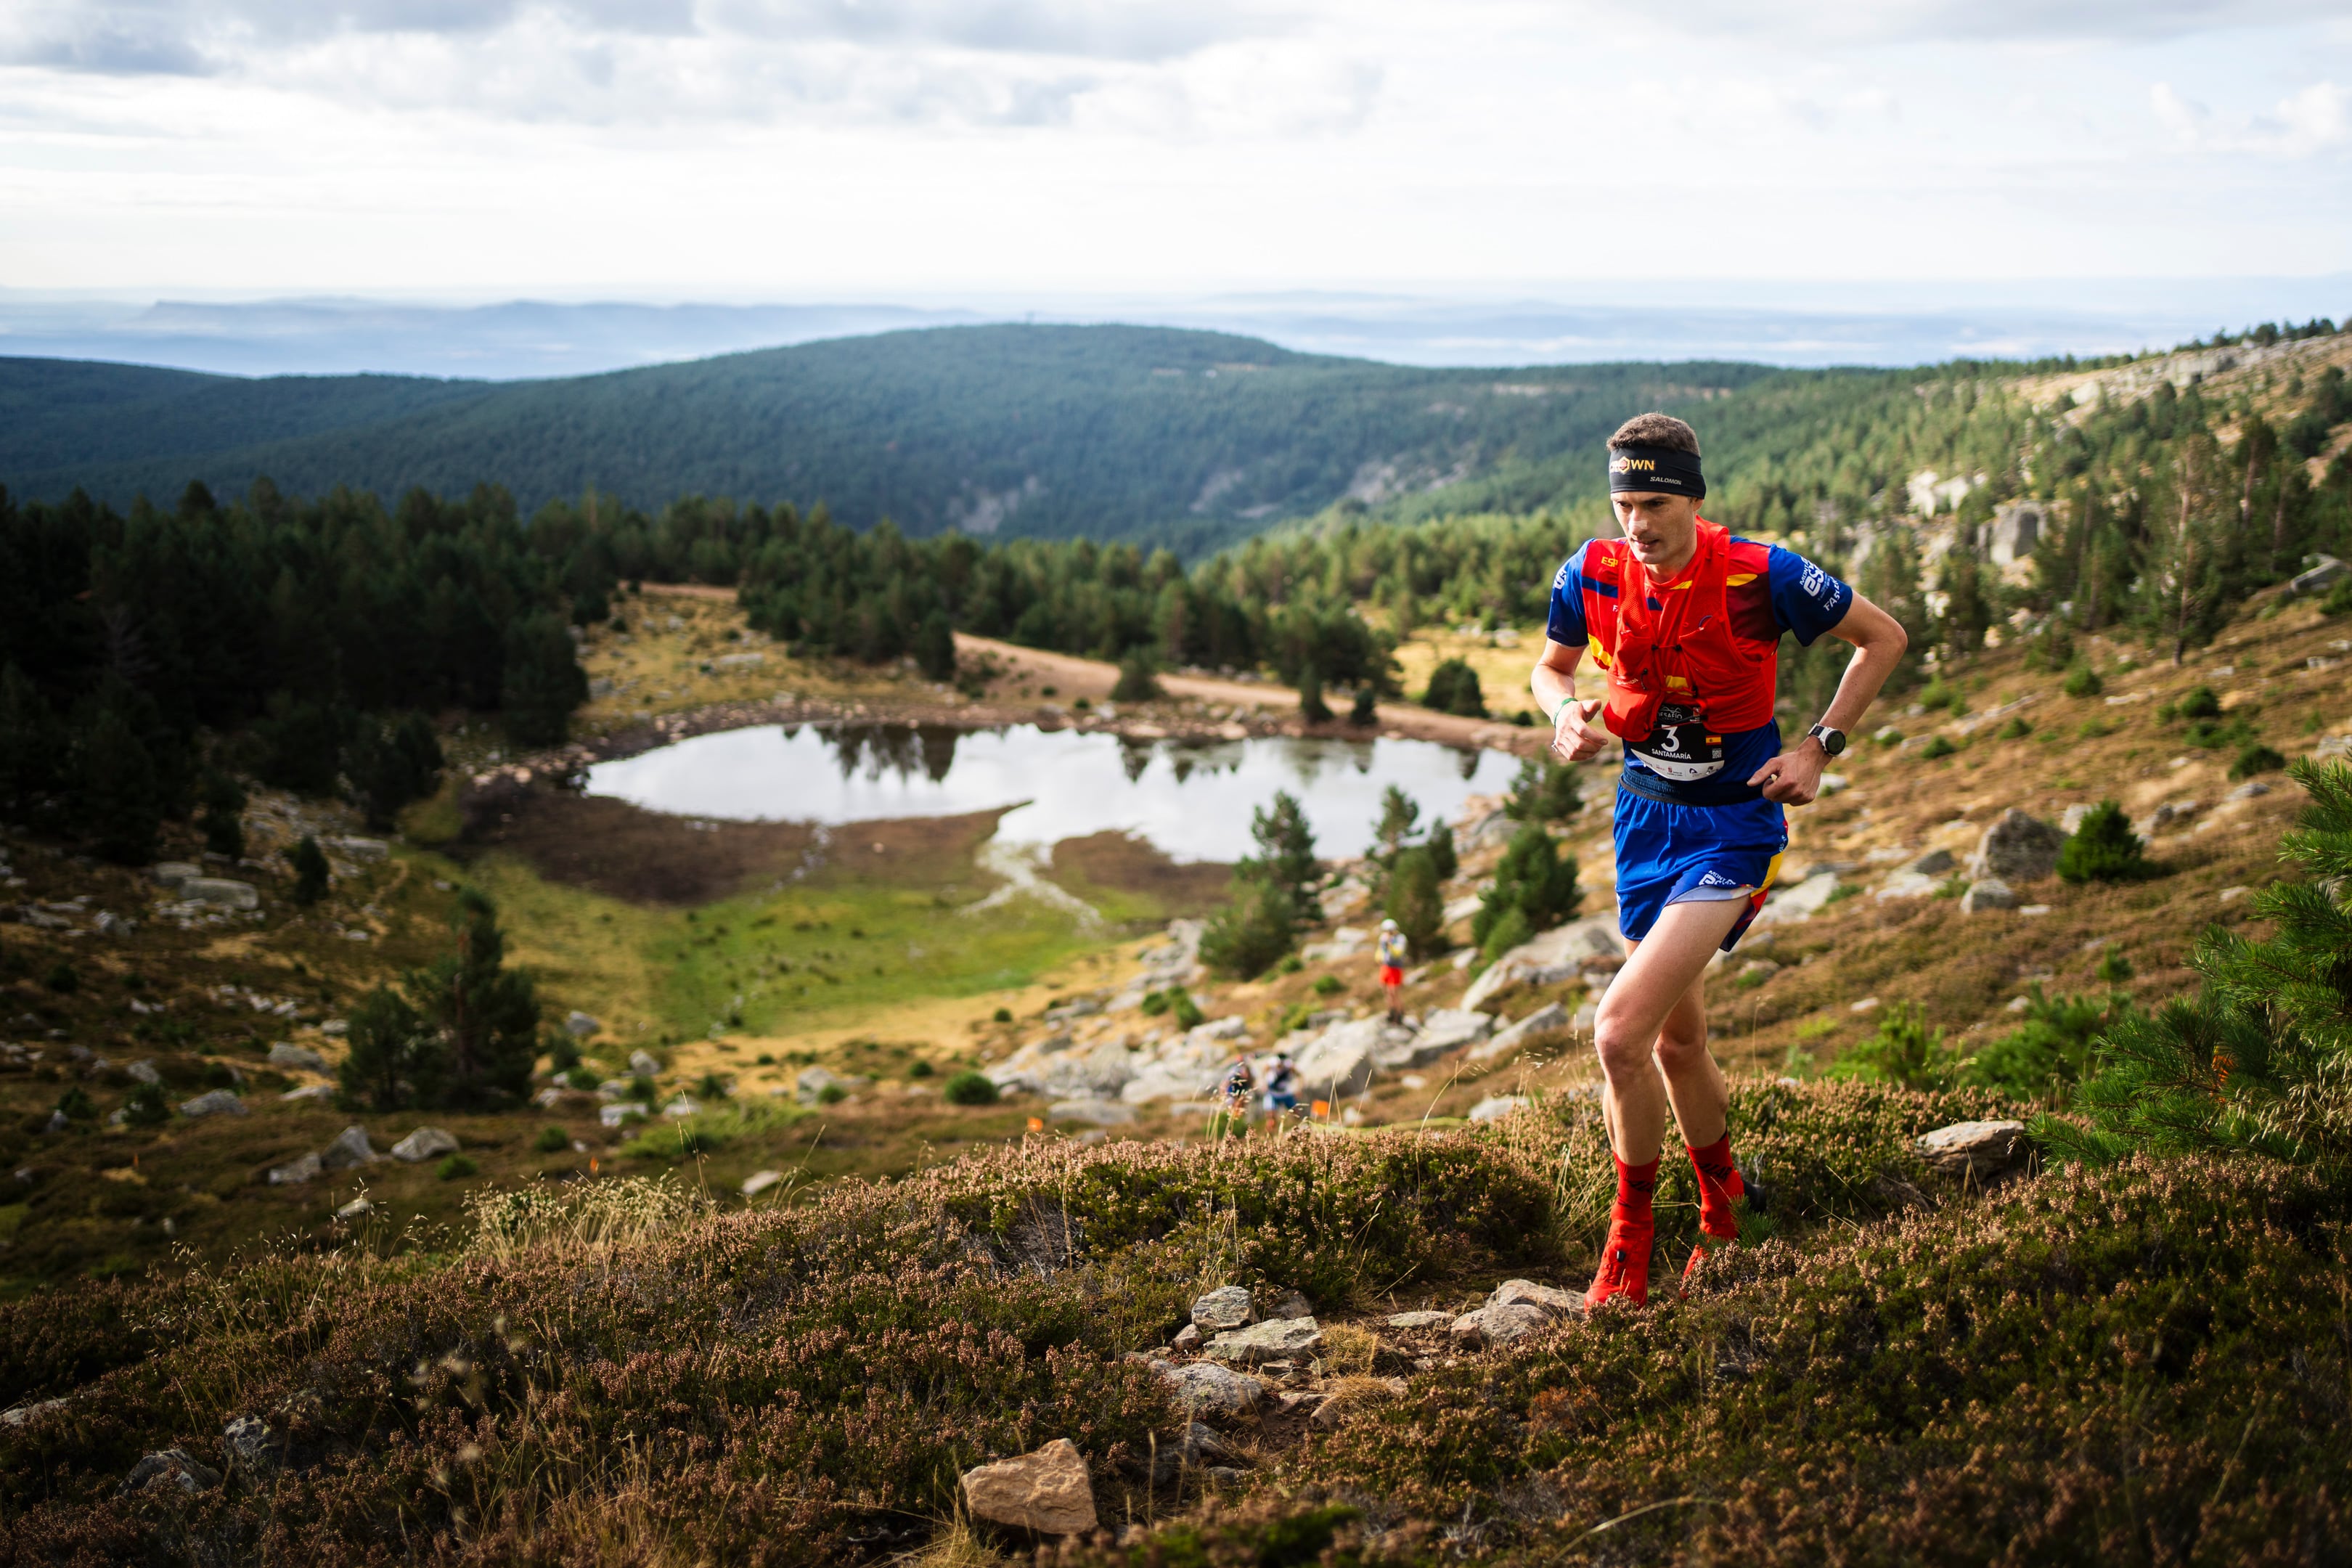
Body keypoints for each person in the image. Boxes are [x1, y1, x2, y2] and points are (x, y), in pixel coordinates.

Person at [1530, 412, 1907, 1308]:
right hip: (1642, 825)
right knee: (1677, 1038)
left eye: (1654, 501)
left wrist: (1819, 746)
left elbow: (1883, 637)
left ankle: (1631, 1238)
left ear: (1694, 497)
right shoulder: (1590, 571)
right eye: (1624, 502)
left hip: (1736, 829)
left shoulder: (1764, 573)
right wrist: (1563, 711)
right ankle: (1731, 1205)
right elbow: (1551, 668)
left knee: (1619, 1033)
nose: (1637, 522)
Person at [1376, 918, 1410, 1023]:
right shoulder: (1383, 938)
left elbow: (1398, 953)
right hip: (1385, 967)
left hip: (1396, 968)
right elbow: (1380, 950)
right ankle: (1391, 1011)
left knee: (1394, 992)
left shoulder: (1400, 939)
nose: (1388, 933)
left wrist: (1391, 944)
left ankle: (1400, 1014)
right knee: (1386, 991)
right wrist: (1378, 958)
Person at [1263, 1051, 1299, 1116]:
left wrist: (1298, 1089)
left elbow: (1298, 1075)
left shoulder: (1288, 1064)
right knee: (1271, 1116)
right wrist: (1265, 1083)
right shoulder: (1272, 1063)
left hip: (1285, 1093)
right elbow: (1265, 1070)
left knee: (1296, 1114)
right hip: (1272, 1093)